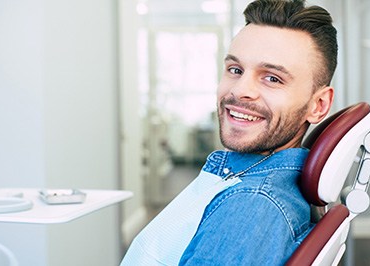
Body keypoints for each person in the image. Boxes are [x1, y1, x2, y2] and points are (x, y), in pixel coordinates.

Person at [121, 0, 337, 265]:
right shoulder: (246, 186)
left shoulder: (250, 206)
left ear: (318, 106)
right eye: (235, 70)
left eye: (272, 78)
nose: (239, 90)